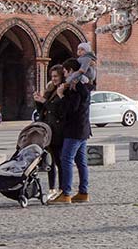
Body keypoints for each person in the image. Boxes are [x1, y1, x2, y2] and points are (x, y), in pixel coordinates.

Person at [53, 58, 91, 204]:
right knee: (81, 162)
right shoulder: (83, 85)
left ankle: (66, 193)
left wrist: (61, 95)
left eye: (65, 71)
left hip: (74, 130)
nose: (64, 74)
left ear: (71, 71)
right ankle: (83, 192)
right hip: (82, 130)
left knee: (66, 159)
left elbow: (71, 109)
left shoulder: (75, 86)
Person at [32, 64, 67, 191]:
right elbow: (43, 110)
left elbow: (59, 111)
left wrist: (44, 102)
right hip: (48, 131)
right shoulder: (51, 89)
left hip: (58, 132)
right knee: (49, 162)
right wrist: (37, 101)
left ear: (62, 76)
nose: (53, 78)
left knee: (60, 162)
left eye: (56, 76)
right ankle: (52, 188)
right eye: (52, 76)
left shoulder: (63, 90)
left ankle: (62, 189)